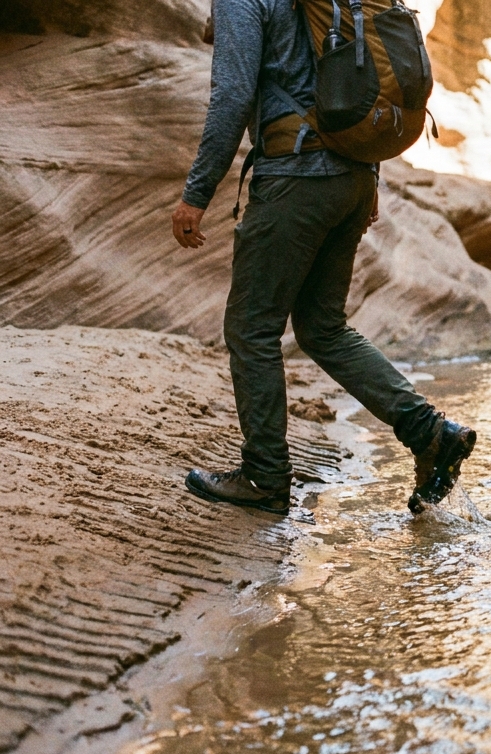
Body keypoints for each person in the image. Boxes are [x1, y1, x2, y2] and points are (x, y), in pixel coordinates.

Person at [172, 0, 474, 516]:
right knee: (322, 327)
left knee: (252, 328)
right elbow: (355, 81)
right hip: (350, 176)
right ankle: (430, 432)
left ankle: (265, 477)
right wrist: (370, 174)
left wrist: (197, 192)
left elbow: (232, 96)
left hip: (296, 177)